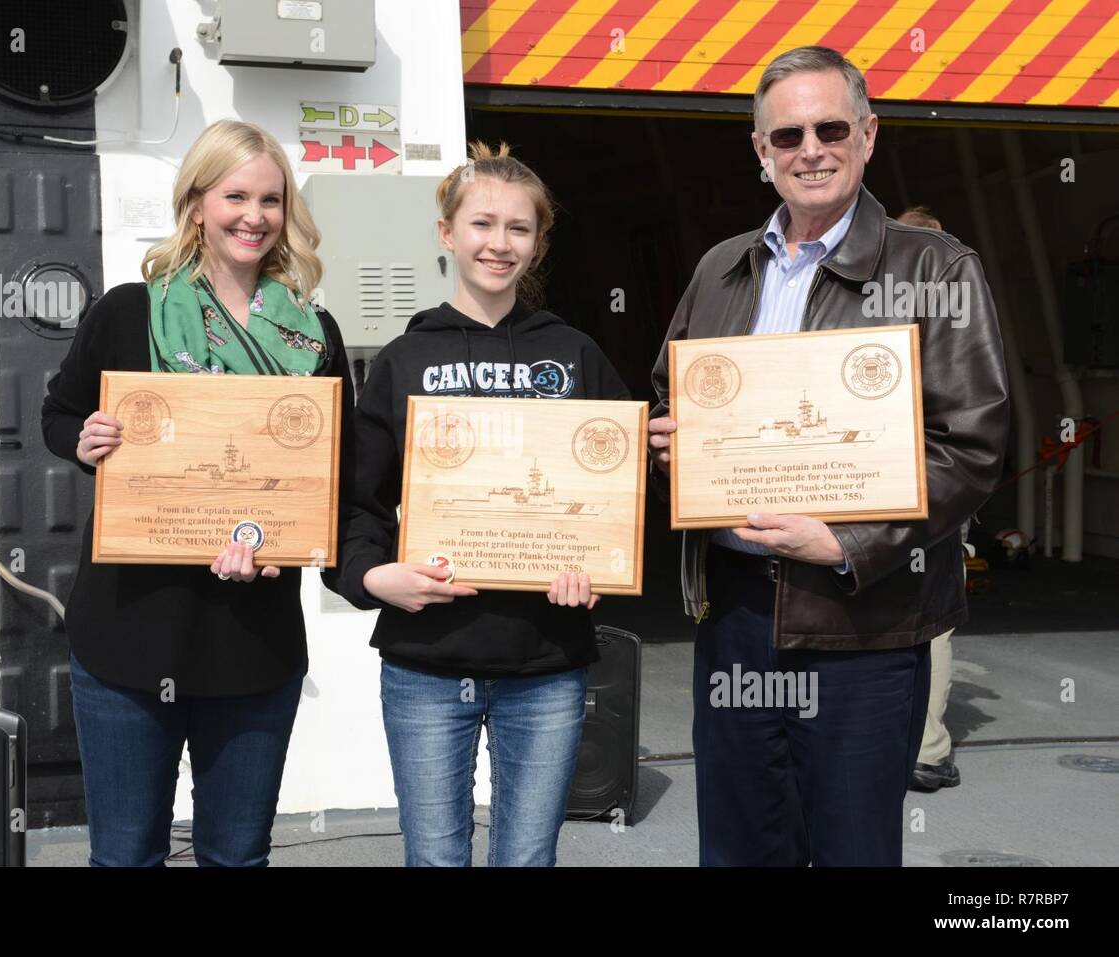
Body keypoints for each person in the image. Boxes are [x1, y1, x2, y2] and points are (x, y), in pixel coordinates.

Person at [647, 47, 1009, 865]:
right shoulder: (721, 268)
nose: (810, 148)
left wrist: (850, 543)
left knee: (852, 849)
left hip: (864, 625)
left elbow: (970, 445)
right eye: (787, 135)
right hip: (737, 616)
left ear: (868, 135)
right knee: (739, 848)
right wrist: (673, 446)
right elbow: (674, 394)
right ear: (760, 151)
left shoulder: (936, 268)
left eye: (830, 127)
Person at [41, 119, 355, 866]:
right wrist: (83, 440)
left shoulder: (316, 335)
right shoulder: (128, 311)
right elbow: (59, 412)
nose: (254, 215)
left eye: (271, 199)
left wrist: (289, 535)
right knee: (123, 857)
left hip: (252, 636)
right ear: (196, 205)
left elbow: (329, 474)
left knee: (237, 856)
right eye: (235, 195)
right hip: (129, 630)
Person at [324, 142, 630, 867]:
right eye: (483, 223)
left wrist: (599, 568)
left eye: (519, 228)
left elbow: (620, 493)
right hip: (427, 660)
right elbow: (357, 504)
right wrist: (371, 579)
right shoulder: (402, 359)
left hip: (548, 659)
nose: (499, 243)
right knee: (435, 861)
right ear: (447, 233)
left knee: (527, 860)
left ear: (538, 241)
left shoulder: (576, 353)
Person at [896, 205, 962, 792]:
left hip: (879, 480)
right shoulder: (953, 313)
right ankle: (929, 748)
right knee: (934, 618)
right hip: (934, 484)